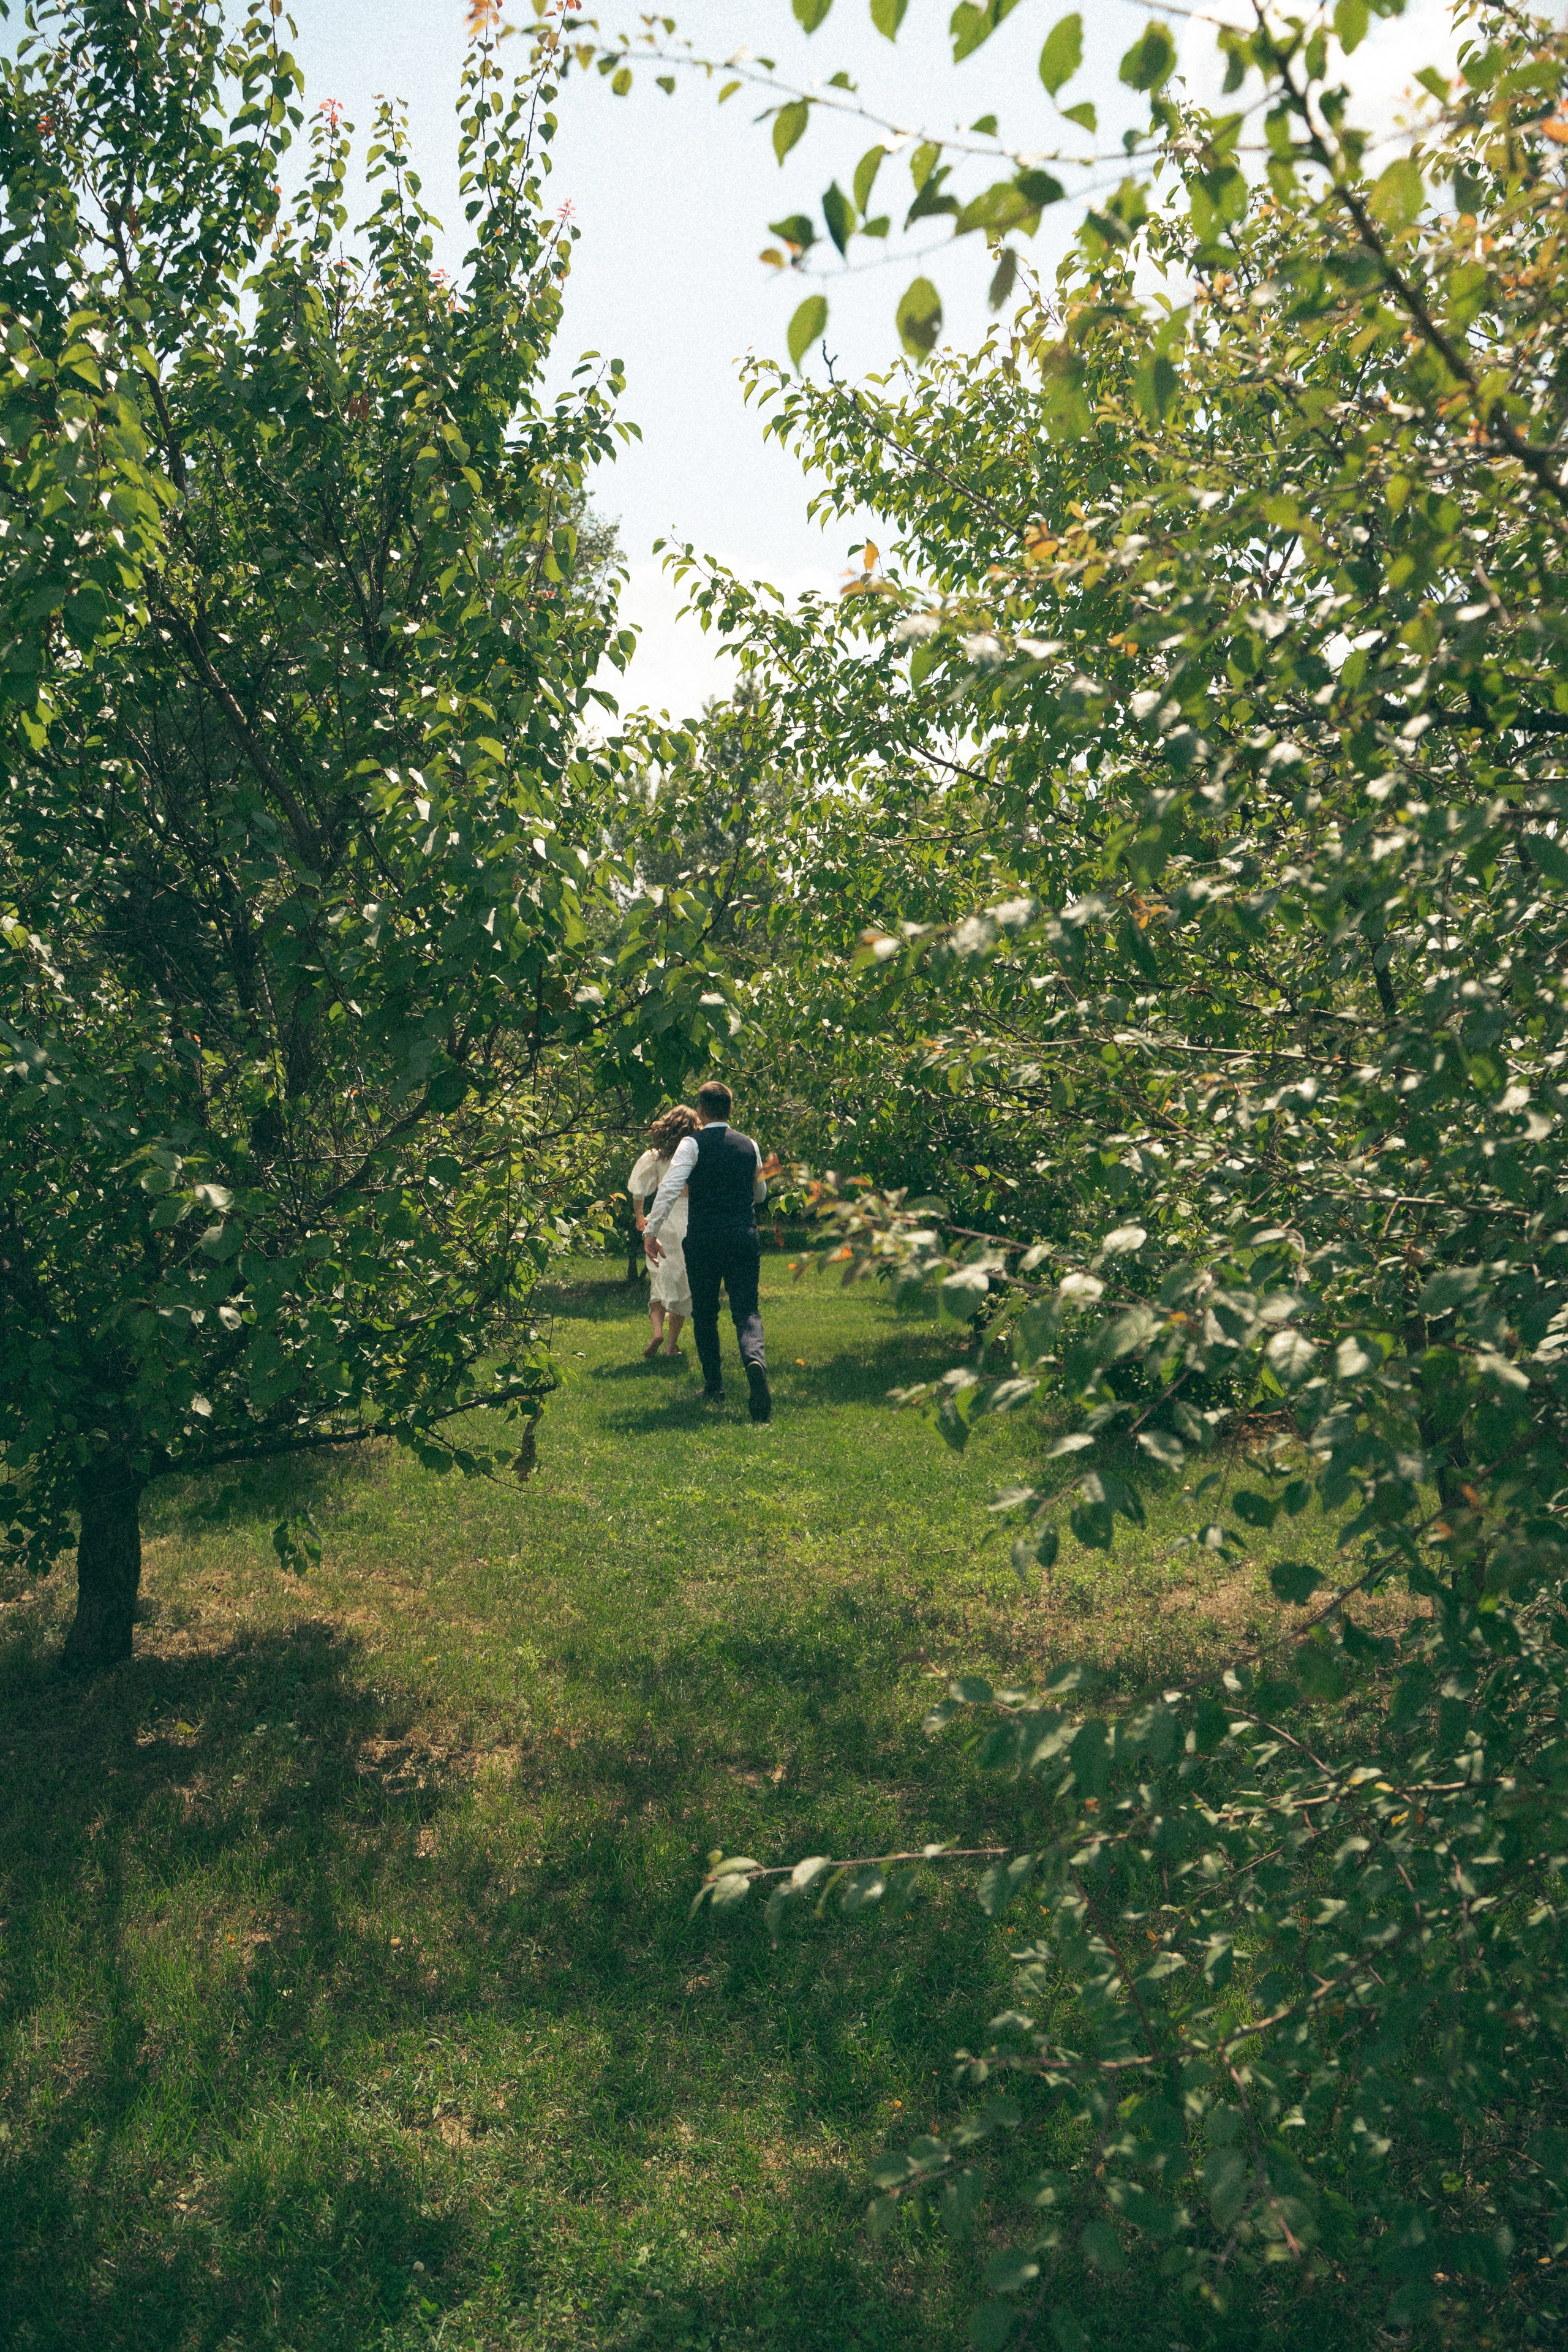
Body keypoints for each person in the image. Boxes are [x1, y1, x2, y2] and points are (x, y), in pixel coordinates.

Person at [643, 1079, 772, 1422]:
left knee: (706, 1312)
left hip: (704, 1239)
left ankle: (714, 1385)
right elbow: (760, 1195)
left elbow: (669, 1189)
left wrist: (651, 1231)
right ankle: (754, 1361)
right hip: (744, 1236)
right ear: (731, 1109)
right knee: (747, 1310)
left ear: (701, 1110)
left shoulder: (692, 1144)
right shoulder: (750, 1145)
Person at [628, 1104, 700, 1360]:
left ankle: (657, 1332)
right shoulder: (696, 1153)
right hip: (690, 1220)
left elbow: (638, 1189)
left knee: (658, 1279)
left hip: (662, 1218)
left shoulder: (655, 1157)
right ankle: (671, 1345)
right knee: (683, 1284)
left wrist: (640, 1216)